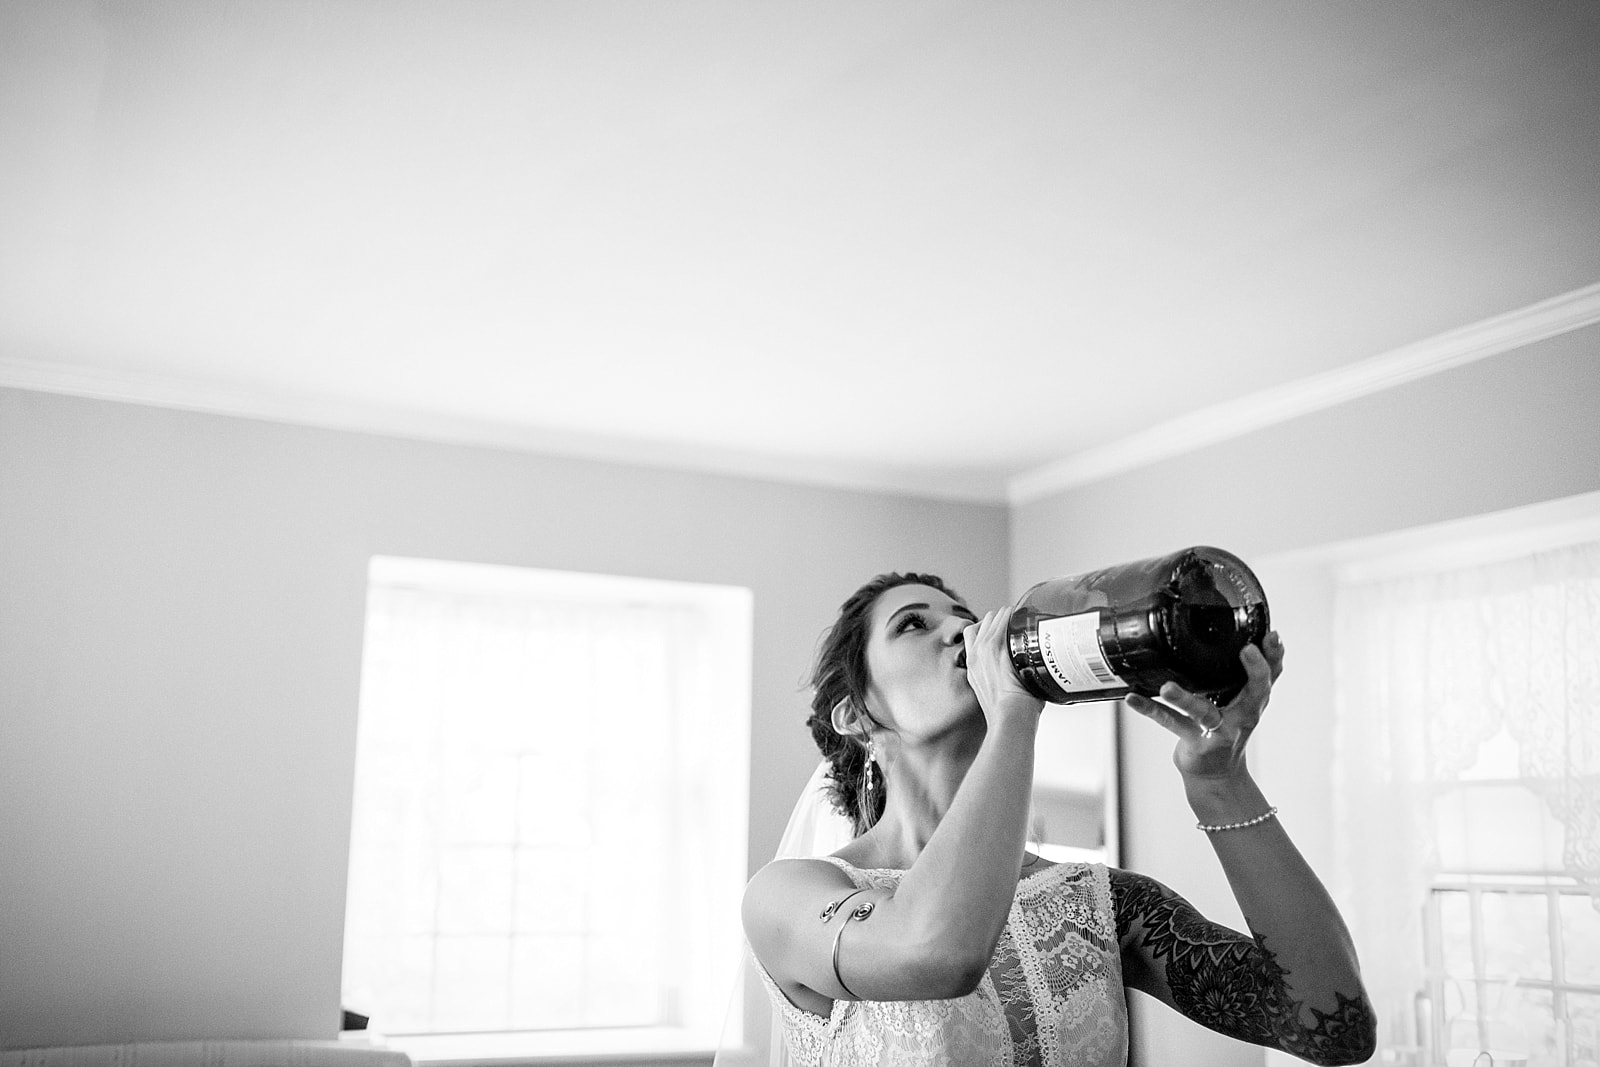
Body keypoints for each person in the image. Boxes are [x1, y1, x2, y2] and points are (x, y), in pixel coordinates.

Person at [737, 571, 1377, 1067]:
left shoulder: (1101, 903)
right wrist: (1015, 714)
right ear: (856, 715)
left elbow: (1332, 1022)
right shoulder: (789, 896)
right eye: (912, 624)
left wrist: (1221, 782)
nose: (961, 631)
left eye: (965, 617)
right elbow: (938, 952)